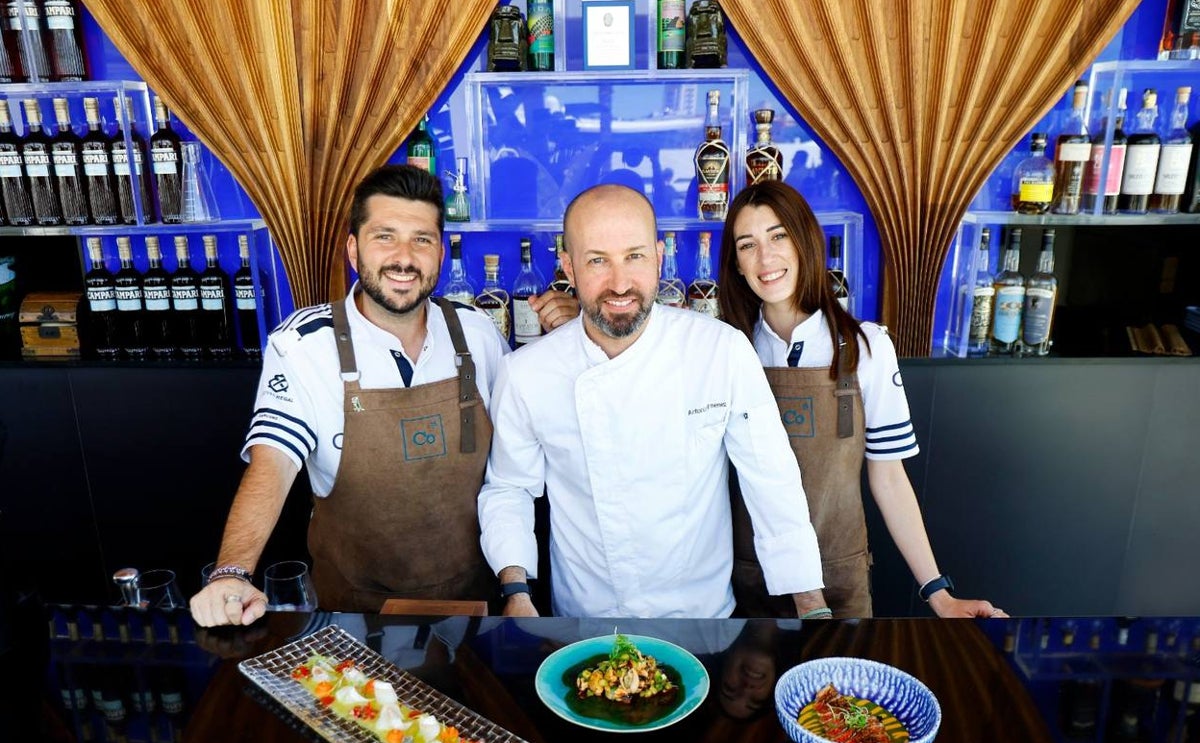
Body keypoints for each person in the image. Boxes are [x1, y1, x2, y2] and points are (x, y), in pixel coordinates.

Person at [477, 183, 830, 619]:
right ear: (567, 265)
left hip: (703, 622)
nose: (620, 282)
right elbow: (509, 488)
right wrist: (516, 592)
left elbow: (771, 479)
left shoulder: (720, 350)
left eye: (635, 256)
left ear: (659, 257)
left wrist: (811, 606)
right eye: (597, 261)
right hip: (586, 621)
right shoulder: (528, 372)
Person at [191, 164, 516, 626]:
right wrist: (231, 572)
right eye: (385, 236)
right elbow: (274, 464)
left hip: (475, 614)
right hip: (354, 623)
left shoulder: (477, 333)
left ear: (440, 253)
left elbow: (517, 458)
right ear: (352, 248)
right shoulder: (305, 344)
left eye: (421, 239)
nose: (404, 258)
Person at [717, 179, 1005, 619]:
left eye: (778, 236)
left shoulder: (865, 347)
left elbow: (888, 478)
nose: (765, 257)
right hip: (745, 581)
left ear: (805, 243)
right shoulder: (727, 349)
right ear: (735, 263)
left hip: (839, 579)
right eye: (747, 245)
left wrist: (938, 592)